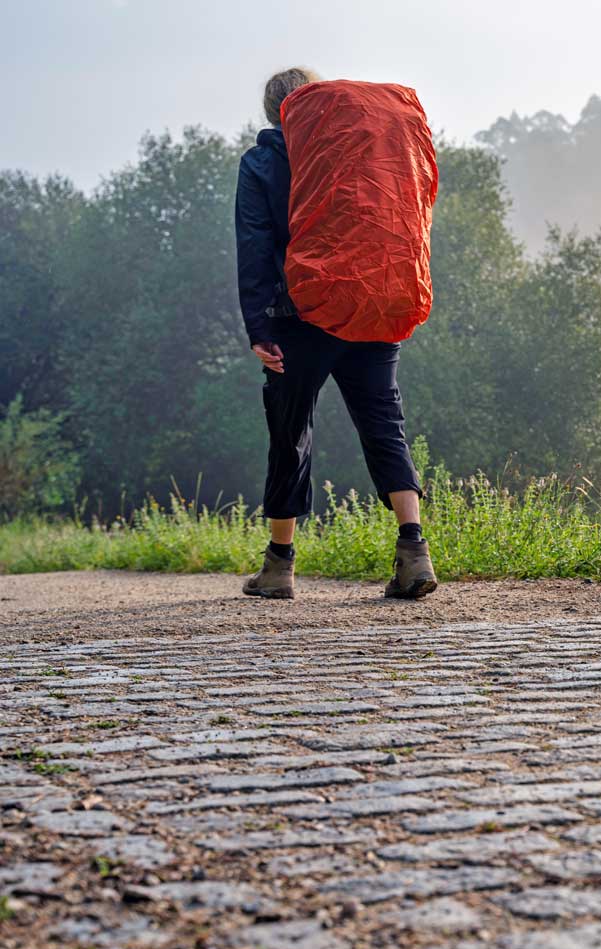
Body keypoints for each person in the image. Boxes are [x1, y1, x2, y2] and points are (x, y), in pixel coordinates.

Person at [235, 67, 437, 600]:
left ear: (275, 112)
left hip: (299, 316)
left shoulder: (264, 160)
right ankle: (413, 551)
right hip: (374, 304)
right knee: (382, 423)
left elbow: (255, 244)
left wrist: (259, 325)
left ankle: (279, 567)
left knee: (290, 429)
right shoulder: (361, 148)